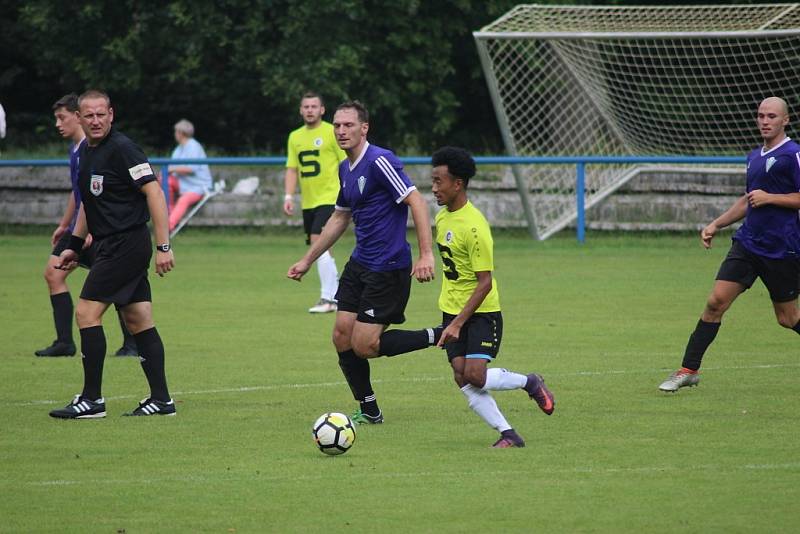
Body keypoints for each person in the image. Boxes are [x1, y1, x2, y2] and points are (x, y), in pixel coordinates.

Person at [288, 100, 440, 424]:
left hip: (388, 267)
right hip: (360, 264)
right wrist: (307, 259)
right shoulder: (345, 168)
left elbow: (417, 201)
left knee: (365, 345)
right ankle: (369, 408)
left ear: (364, 128)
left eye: (348, 125)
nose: (342, 131)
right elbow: (340, 218)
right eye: (338, 126)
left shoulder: (380, 161)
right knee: (341, 336)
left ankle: (438, 334)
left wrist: (427, 254)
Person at [659, 96, 800, 392]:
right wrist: (716, 224)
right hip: (748, 244)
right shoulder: (754, 156)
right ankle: (688, 370)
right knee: (715, 302)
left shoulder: (793, 154)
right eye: (761, 115)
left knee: (788, 319)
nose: (764, 121)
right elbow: (748, 200)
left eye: (771, 116)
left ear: (785, 120)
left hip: (781, 248)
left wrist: (771, 198)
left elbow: (776, 197)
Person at [49, 89, 176, 418]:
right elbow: (88, 207)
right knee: (138, 319)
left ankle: (92, 400)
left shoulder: (122, 149)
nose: (95, 121)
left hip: (125, 244)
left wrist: (163, 246)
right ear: (79, 117)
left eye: (100, 114)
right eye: (88, 115)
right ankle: (162, 401)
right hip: (109, 244)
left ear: (111, 115)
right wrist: (73, 247)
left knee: (87, 313)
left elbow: (154, 193)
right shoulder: (87, 153)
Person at [430, 147, 555, 448]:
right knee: (460, 376)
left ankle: (530, 382)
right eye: (432, 181)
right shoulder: (442, 217)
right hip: (451, 309)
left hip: (482, 311)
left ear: (457, 184)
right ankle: (508, 434)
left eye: (439, 182)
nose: (433, 188)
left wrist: (459, 323)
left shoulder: (475, 227)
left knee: (476, 374)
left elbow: (485, 282)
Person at [35, 93, 138, 358]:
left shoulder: (98, 149)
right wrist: (65, 225)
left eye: (62, 118)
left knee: (109, 282)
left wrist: (86, 231)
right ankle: (68, 342)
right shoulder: (79, 150)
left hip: (99, 228)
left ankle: (73, 343)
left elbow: (98, 194)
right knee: (59, 274)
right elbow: (79, 191)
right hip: (85, 225)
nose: (58, 124)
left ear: (76, 117)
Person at [283, 92, 346, 313]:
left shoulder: (332, 131)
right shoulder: (295, 137)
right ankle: (334, 296)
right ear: (301, 110)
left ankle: (330, 299)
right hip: (309, 202)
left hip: (331, 197)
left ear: (322, 110)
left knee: (319, 241)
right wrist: (289, 196)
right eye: (306, 106)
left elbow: (346, 161)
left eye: (314, 106)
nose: (310, 110)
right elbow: (292, 168)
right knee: (318, 244)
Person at [167, 119, 212, 231]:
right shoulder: (178, 149)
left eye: (176, 132)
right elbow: (172, 169)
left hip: (198, 186)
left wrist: (172, 169)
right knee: (164, 182)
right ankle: (168, 215)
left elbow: (191, 169)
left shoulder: (193, 146)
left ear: (181, 133)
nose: (175, 134)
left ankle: (169, 226)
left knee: (183, 200)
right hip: (183, 183)